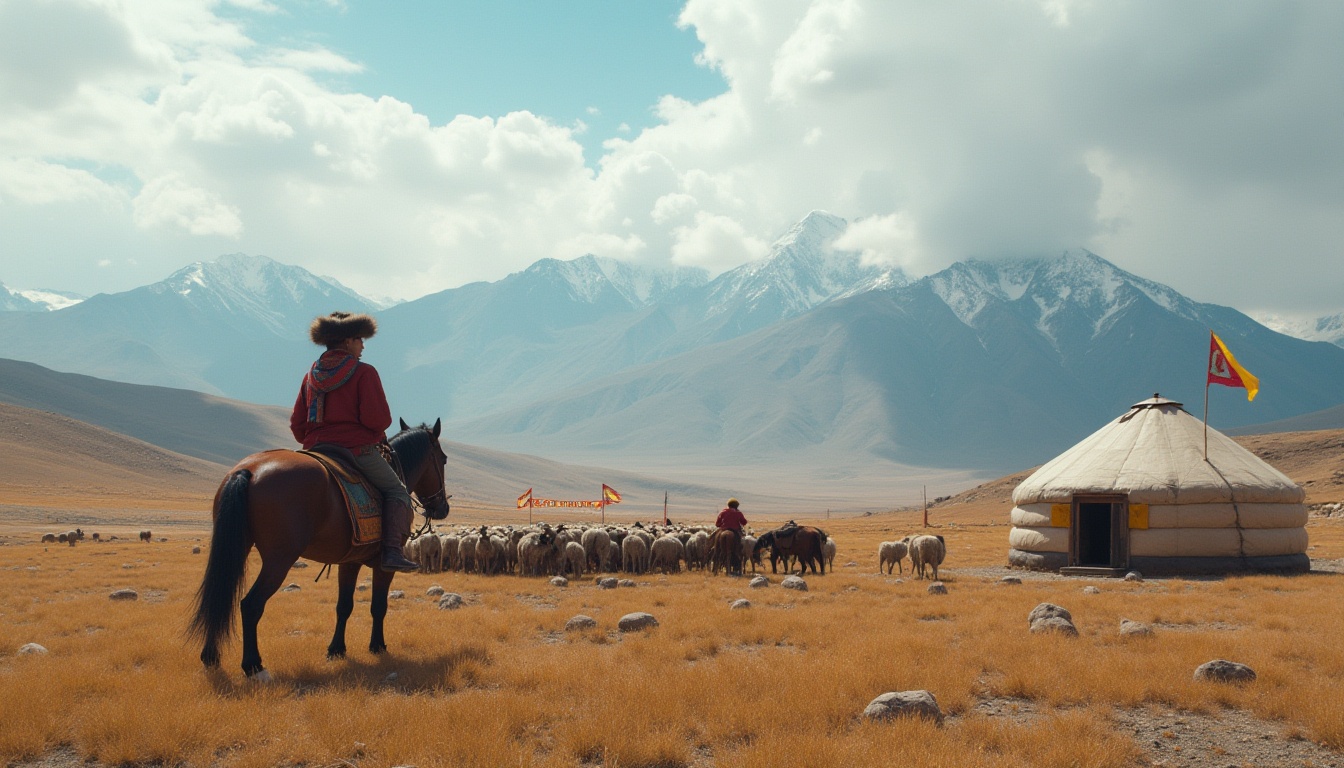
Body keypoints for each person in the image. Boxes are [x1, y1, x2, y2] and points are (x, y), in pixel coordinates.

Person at [290, 311, 418, 573]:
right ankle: (392, 552)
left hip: (316, 450)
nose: (363, 346)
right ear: (347, 341)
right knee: (398, 492)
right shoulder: (364, 372)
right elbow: (378, 420)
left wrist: (315, 440)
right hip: (355, 450)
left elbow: (297, 425)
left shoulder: (310, 377)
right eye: (359, 339)